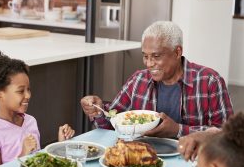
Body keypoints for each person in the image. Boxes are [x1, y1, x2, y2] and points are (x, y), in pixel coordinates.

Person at [80, 21, 233, 138]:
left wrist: (178, 130)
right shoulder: (138, 80)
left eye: (156, 56)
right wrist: (98, 111)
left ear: (177, 52)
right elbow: (113, 123)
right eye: (145, 56)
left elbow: (226, 135)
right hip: (141, 160)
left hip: (189, 162)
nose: (149, 63)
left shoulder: (209, 81)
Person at [0, 52, 75, 167]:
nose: (28, 95)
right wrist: (23, 155)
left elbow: (39, 165)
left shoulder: (30, 121)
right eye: (21, 91)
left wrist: (60, 144)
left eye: (28, 89)